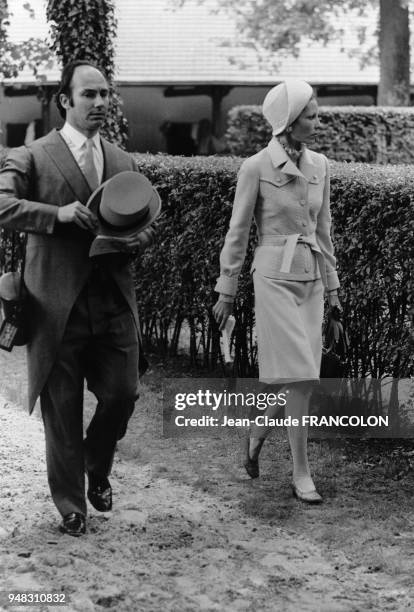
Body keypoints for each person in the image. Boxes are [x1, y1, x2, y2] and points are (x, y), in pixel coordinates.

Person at [0, 60, 159, 536]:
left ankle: (96, 461)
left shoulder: (123, 161)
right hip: (55, 304)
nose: (100, 103)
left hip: (113, 302)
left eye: (105, 94)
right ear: (64, 101)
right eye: (89, 94)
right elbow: (3, 205)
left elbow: (146, 225)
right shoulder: (30, 156)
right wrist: (59, 214)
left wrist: (132, 242)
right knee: (62, 408)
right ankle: (71, 505)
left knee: (122, 393)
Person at [213, 79, 341, 503]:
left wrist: (334, 288)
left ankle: (256, 432)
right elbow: (238, 231)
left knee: (289, 376)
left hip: (312, 280)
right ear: (287, 121)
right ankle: (301, 473)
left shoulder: (321, 165)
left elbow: (324, 234)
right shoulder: (255, 167)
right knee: (301, 376)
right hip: (272, 277)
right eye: (311, 115)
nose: (318, 122)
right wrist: (226, 288)